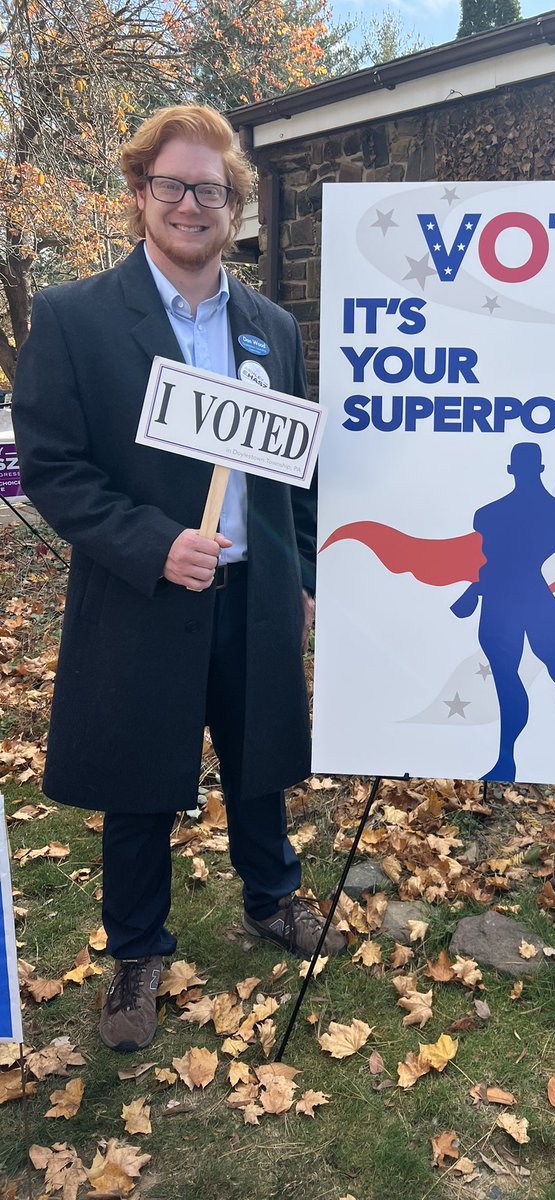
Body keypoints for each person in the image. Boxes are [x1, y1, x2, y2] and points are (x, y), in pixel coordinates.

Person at [13, 105, 345, 1054]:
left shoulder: (272, 327)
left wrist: (307, 568)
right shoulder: (76, 319)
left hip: (255, 589)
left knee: (260, 756)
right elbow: (54, 468)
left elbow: (297, 469)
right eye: (174, 186)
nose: (193, 204)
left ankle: (271, 895)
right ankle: (134, 951)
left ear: (236, 207)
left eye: (213, 189)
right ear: (140, 196)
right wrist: (154, 542)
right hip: (143, 591)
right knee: (140, 777)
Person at [451, 442, 555, 785]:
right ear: (539, 468)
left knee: (543, 678)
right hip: (516, 600)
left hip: (508, 601)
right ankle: (516, 760)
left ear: (512, 469)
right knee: (549, 677)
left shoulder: (490, 515)